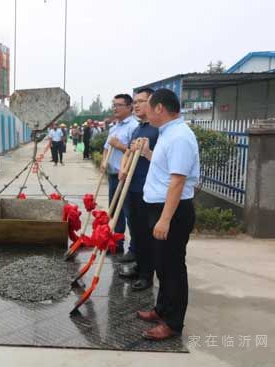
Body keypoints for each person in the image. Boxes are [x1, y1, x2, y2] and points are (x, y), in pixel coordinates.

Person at [136, 89, 199, 341]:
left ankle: (173, 324)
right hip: (159, 207)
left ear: (159, 108)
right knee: (162, 265)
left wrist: (164, 219)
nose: (144, 111)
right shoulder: (168, 133)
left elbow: (177, 181)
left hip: (171, 211)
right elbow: (165, 169)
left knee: (172, 268)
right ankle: (161, 309)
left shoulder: (180, 137)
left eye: (147, 106)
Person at [117, 88, 159, 291]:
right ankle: (139, 266)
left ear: (152, 103)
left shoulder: (157, 129)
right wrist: (124, 169)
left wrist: (146, 151)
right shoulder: (139, 128)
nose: (136, 105)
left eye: (141, 101)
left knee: (146, 233)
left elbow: (159, 160)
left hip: (147, 189)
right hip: (132, 187)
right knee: (136, 231)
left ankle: (146, 274)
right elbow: (129, 152)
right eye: (135, 101)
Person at [100, 94, 139, 254]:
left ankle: (135, 248)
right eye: (114, 105)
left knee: (129, 212)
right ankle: (117, 242)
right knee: (114, 210)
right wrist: (103, 161)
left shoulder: (134, 126)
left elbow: (135, 152)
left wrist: (120, 145)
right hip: (113, 174)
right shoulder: (115, 127)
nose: (115, 108)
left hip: (127, 176)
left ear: (129, 107)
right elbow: (107, 148)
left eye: (119, 105)